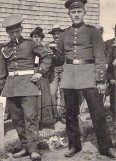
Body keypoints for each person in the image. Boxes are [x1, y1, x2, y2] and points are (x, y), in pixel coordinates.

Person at [54, 0, 116, 158]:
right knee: (70, 113)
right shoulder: (63, 34)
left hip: (89, 75)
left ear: (84, 13)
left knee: (98, 113)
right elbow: (60, 58)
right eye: (73, 12)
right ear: (69, 14)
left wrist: (101, 79)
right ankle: (74, 145)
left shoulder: (92, 31)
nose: (76, 14)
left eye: (79, 12)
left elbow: (100, 56)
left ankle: (105, 147)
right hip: (69, 76)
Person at [0, 15, 52, 160]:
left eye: (17, 31)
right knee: (17, 120)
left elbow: (46, 57)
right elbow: (2, 70)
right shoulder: (4, 49)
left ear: (21, 29)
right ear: (7, 32)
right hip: (11, 87)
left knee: (30, 118)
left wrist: (40, 73)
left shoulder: (31, 43)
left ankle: (34, 149)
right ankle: (25, 147)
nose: (14, 34)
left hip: (28, 85)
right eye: (11, 32)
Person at [30, 27, 57, 128]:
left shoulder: (44, 49)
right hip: (32, 73)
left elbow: (48, 61)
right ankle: (35, 121)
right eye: (34, 37)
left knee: (44, 96)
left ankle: (45, 120)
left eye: (38, 37)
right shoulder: (29, 49)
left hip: (42, 74)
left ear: (41, 39)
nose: (36, 39)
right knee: (34, 97)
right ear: (32, 38)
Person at [45, 25, 65, 123]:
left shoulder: (65, 44)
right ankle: (55, 115)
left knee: (64, 91)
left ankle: (63, 114)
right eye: (54, 34)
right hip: (53, 69)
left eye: (58, 34)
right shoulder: (48, 45)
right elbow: (44, 57)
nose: (56, 36)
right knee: (52, 92)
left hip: (64, 69)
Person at [105, 24, 116, 143]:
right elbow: (107, 67)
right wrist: (109, 79)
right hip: (114, 83)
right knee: (114, 106)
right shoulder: (111, 46)